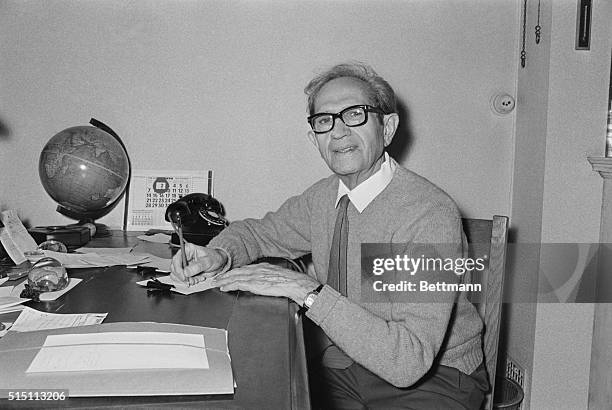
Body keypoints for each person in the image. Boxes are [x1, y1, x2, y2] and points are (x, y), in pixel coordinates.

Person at [171, 62, 488, 409]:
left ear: (388, 128)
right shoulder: (322, 197)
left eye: (355, 114)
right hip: (348, 362)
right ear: (315, 139)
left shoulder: (427, 214)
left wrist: (306, 291)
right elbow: (255, 234)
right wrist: (218, 254)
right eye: (325, 121)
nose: (338, 132)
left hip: (435, 378)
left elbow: (408, 360)